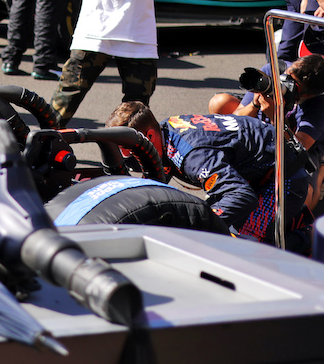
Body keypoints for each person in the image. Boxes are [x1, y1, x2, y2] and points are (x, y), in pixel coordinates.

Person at [107, 102, 311, 253]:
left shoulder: (193, 156)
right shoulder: (165, 129)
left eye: (126, 148)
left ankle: (309, 239)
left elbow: (241, 196)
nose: (125, 155)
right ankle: (290, 222)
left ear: (149, 136)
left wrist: (198, 227)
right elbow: (155, 183)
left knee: (245, 246)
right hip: (255, 168)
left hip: (282, 178)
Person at [209, 55, 324, 157]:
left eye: (291, 84)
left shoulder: (318, 104)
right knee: (219, 102)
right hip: (258, 126)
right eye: (287, 74)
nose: (282, 82)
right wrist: (254, 105)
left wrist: (276, 117)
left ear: (309, 95)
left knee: (306, 180)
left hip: (290, 141)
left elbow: (299, 148)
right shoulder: (274, 70)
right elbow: (236, 118)